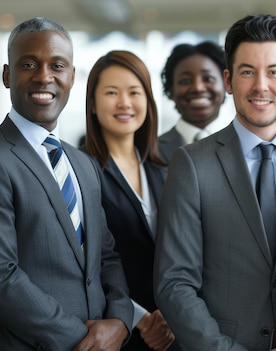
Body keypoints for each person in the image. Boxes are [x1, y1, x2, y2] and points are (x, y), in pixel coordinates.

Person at [153, 14, 276, 351]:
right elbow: (174, 282)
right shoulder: (192, 164)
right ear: (228, 80)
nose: (261, 86)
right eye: (247, 72)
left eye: (273, 72)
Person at [0, 17, 133, 350]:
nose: (44, 77)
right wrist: (85, 340)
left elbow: (106, 257)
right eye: (29, 64)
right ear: (8, 75)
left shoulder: (82, 163)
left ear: (72, 77)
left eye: (57, 65)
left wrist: (121, 320)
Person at [83, 50, 178, 351]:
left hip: (176, 330)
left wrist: (175, 313)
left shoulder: (168, 169)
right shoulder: (82, 170)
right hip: (117, 331)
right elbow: (87, 261)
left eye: (134, 92)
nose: (124, 102)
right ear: (93, 105)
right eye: (112, 92)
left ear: (148, 104)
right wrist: (139, 318)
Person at [159, 41, 230, 162]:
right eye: (185, 81)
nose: (197, 88)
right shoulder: (150, 151)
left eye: (208, 79)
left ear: (226, 84)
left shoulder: (245, 146)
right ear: (171, 90)